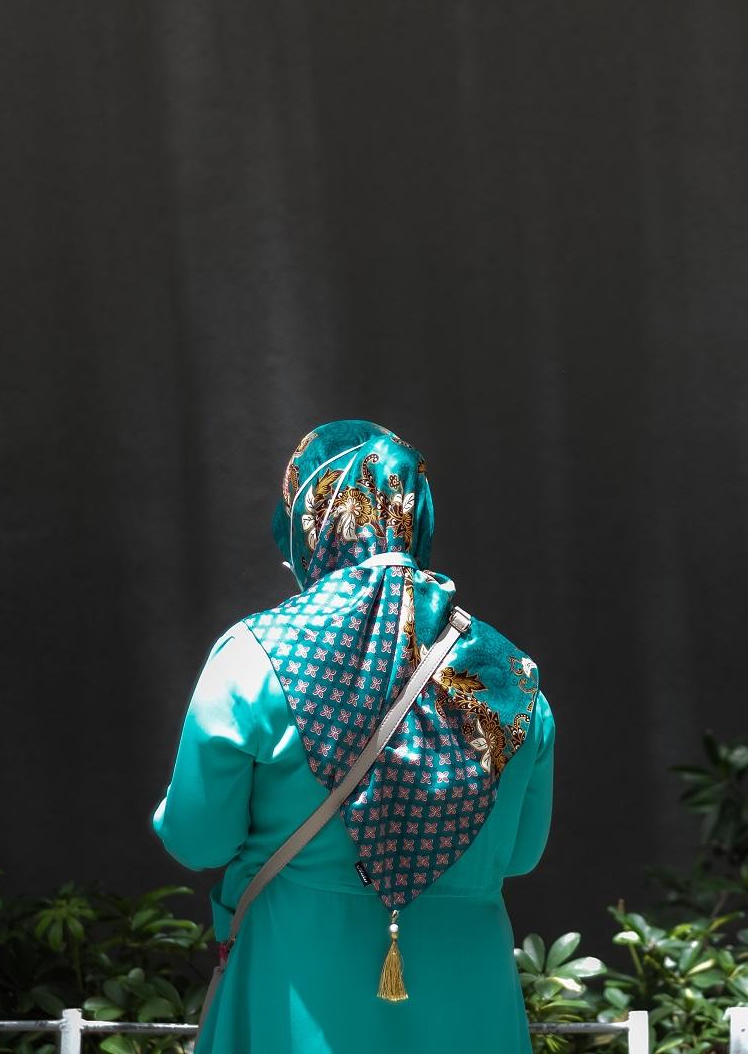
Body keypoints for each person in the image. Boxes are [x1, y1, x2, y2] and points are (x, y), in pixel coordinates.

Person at [152, 419, 556, 1054]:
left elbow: (196, 839)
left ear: (307, 526)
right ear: (417, 516)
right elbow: (522, 854)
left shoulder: (253, 657)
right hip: (467, 998)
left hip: (294, 988)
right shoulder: (513, 676)